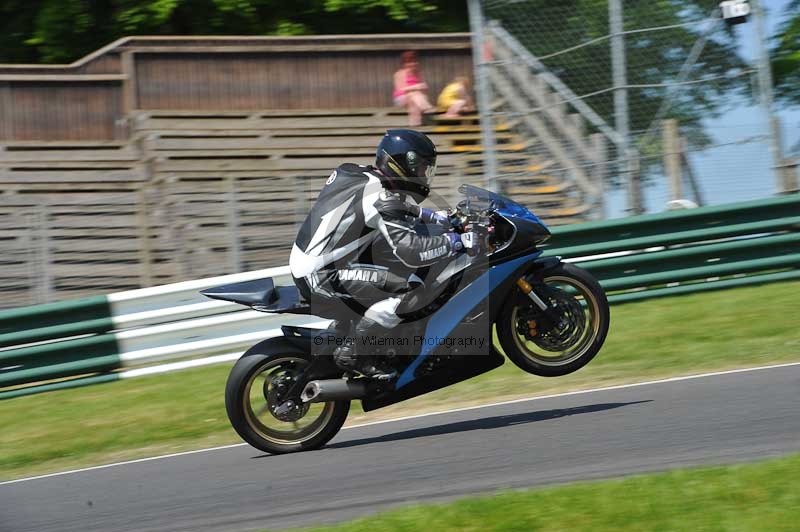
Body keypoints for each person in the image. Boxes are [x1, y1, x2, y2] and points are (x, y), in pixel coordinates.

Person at [289, 129, 479, 379]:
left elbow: (387, 206)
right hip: (323, 275)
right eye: (422, 168)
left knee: (389, 268)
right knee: (411, 289)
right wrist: (457, 241)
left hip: (314, 263)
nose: (424, 175)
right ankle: (355, 352)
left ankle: (369, 336)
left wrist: (433, 216)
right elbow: (411, 251)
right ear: (403, 165)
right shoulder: (378, 195)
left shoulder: (356, 172)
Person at [393, 51, 436, 127]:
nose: (413, 64)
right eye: (409, 62)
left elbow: (424, 90)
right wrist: (417, 87)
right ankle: (427, 108)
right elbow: (401, 89)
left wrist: (423, 87)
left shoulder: (418, 74)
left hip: (416, 99)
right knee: (413, 94)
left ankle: (415, 125)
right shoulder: (400, 73)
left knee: (414, 103)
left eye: (415, 62)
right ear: (404, 64)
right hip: (401, 98)